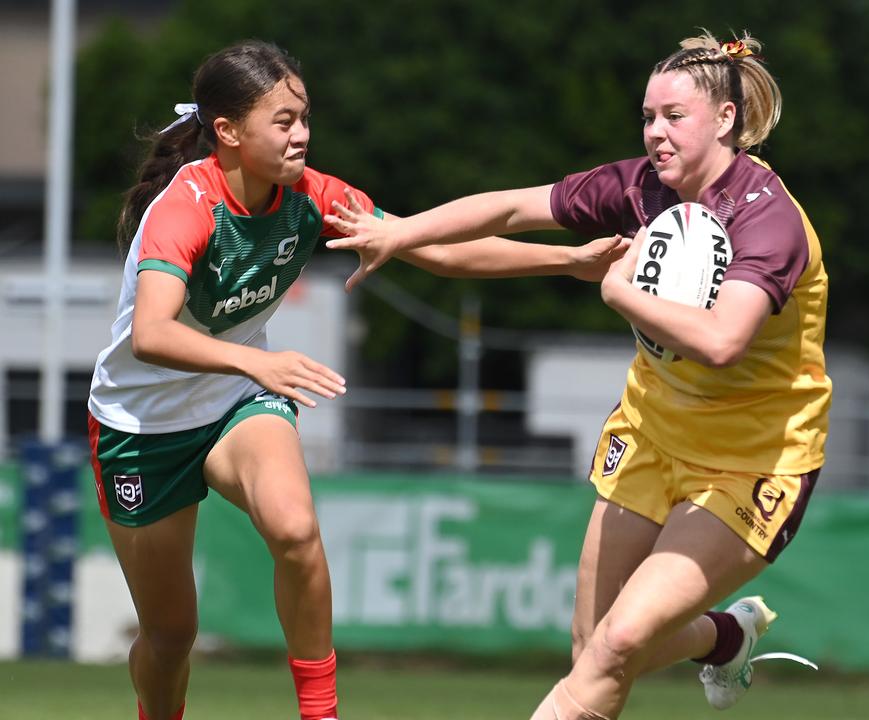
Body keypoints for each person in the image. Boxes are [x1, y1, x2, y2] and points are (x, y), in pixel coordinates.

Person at [87, 41, 623, 720]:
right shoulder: (186, 206)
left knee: (295, 528)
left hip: (233, 403)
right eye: (282, 121)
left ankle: (321, 713)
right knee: (170, 638)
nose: (301, 133)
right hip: (141, 428)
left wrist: (566, 259)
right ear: (227, 132)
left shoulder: (313, 196)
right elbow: (152, 334)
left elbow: (430, 243)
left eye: (304, 116)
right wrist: (259, 360)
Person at [325, 30, 828, 720]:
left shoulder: (766, 219)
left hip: (753, 461)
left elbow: (721, 342)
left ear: (726, 119)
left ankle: (721, 636)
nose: (656, 133)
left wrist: (618, 293)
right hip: (652, 434)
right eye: (648, 117)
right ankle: (726, 636)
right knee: (594, 648)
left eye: (673, 117)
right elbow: (506, 210)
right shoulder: (643, 187)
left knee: (617, 643)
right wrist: (400, 232)